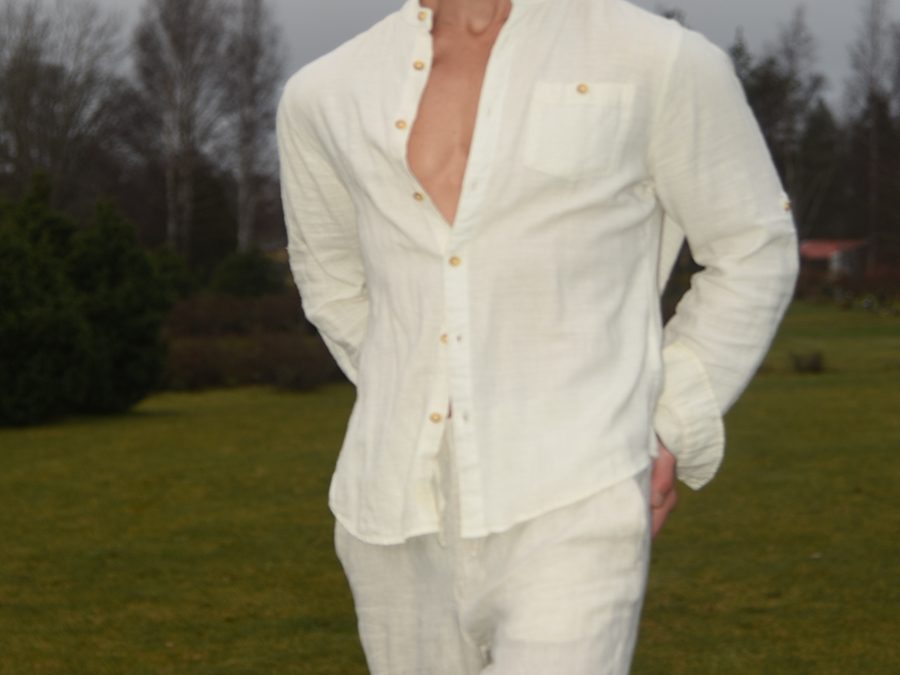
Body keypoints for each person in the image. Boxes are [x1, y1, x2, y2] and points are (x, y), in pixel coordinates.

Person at [276, 0, 799, 672]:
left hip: (577, 486)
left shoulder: (657, 58)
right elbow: (332, 283)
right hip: (392, 508)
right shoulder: (324, 93)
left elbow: (753, 247)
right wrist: (411, 386)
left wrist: (669, 419)